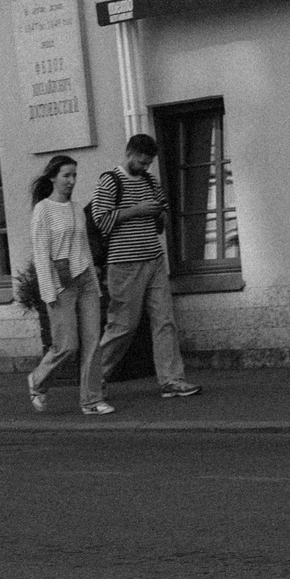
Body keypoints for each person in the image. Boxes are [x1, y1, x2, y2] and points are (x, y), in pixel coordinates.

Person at [89, 133, 200, 404]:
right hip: (124, 263)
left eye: (148, 163)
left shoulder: (151, 181)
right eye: (141, 161)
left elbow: (161, 218)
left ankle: (172, 380)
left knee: (165, 321)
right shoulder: (110, 181)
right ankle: (92, 380)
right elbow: (100, 220)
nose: (145, 167)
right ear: (128, 154)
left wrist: (159, 214)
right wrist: (137, 209)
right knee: (122, 325)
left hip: (154, 258)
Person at [25, 155, 109, 415]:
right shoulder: (43, 210)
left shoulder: (76, 208)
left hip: (85, 282)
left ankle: (92, 400)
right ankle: (37, 381)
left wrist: (95, 285)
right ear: (53, 177)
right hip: (61, 286)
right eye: (66, 175)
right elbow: (41, 254)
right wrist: (48, 292)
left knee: (93, 342)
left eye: (74, 175)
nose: (72, 181)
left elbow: (84, 249)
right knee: (67, 346)